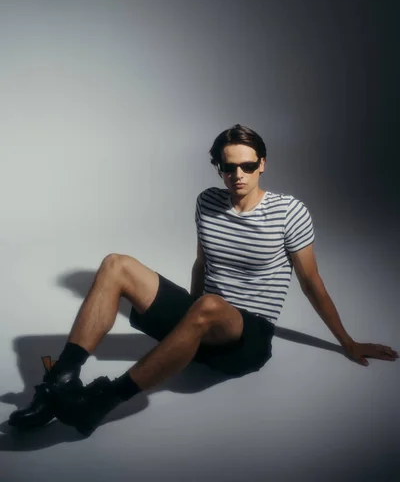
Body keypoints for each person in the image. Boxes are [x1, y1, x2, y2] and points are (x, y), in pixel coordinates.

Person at [8, 124, 398, 437]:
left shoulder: (289, 212)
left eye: (247, 166)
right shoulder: (207, 202)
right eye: (228, 167)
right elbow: (201, 264)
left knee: (209, 306)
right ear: (218, 168)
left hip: (247, 338)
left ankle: (98, 403)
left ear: (263, 164)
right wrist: (186, 324)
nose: (238, 175)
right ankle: (60, 381)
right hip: (204, 317)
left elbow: (311, 282)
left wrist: (347, 342)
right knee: (115, 263)